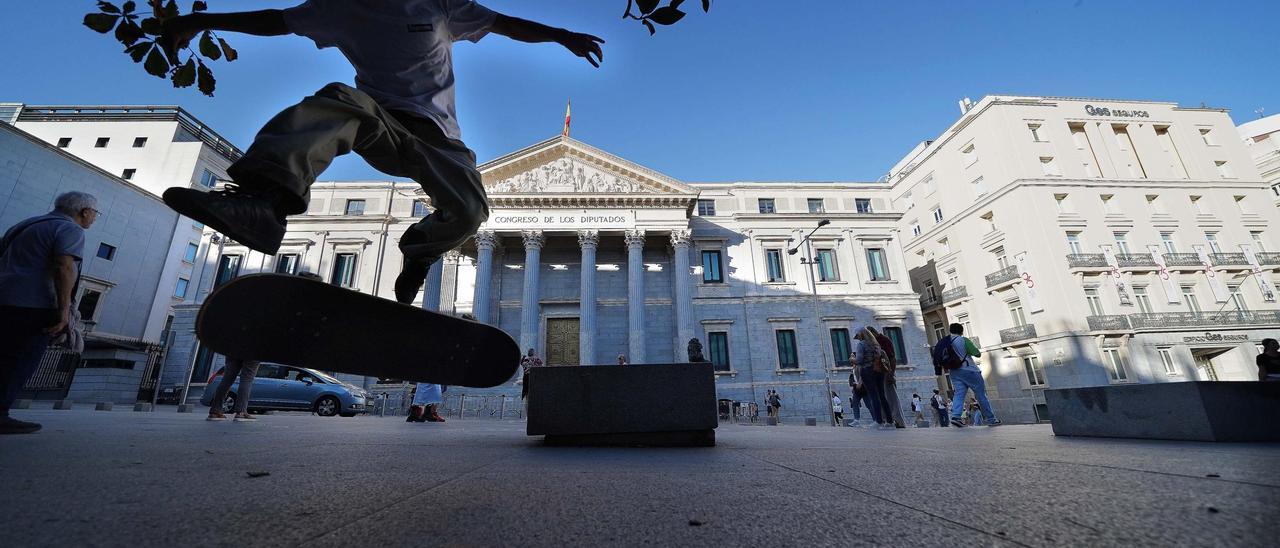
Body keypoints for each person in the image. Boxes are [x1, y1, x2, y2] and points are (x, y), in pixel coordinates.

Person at [157, 2, 604, 305]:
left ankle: (419, 253)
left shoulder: (441, 5)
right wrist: (202, 20)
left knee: (470, 212)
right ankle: (263, 202)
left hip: (439, 139)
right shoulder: (342, 6)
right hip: (380, 123)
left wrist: (560, 35)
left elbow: (504, 23)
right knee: (338, 98)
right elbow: (278, 20)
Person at [0, 191, 97, 435]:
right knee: (20, 360)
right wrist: (64, 312)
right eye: (95, 213)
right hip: (34, 305)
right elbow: (64, 268)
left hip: (5, 299)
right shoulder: (70, 230)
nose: (94, 218)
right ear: (85, 212)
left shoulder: (23, 225)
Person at [942, 323, 1001, 427]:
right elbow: (977, 353)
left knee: (959, 394)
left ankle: (955, 417)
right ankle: (991, 419)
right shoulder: (963, 340)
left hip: (954, 372)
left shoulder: (945, 342)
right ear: (961, 331)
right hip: (970, 370)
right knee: (981, 395)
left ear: (950, 331)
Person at [852, 329, 891, 427]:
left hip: (867, 371)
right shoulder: (876, 344)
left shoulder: (861, 344)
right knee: (882, 396)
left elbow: (859, 360)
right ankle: (889, 421)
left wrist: (852, 359)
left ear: (861, 335)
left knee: (874, 396)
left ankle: (878, 421)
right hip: (878, 371)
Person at [868, 326, 905, 428]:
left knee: (892, 397)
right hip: (879, 373)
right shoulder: (875, 342)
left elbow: (892, 358)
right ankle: (887, 420)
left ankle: (898, 421)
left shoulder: (883, 340)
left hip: (886, 372)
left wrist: (891, 373)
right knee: (883, 397)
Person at [206, 357, 261, 422]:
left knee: (227, 379)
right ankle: (241, 412)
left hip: (233, 351)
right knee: (247, 379)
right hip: (252, 352)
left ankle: (215, 411)